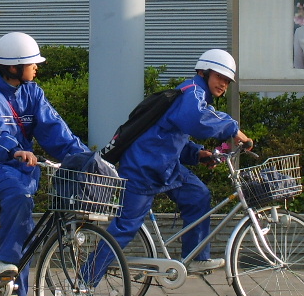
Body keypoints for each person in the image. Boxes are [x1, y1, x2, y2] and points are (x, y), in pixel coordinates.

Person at [89, 49, 253, 282]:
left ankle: (195, 256)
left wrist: (199, 154)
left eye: (227, 81)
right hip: (142, 168)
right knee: (125, 228)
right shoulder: (193, 93)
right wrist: (233, 130)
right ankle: (84, 282)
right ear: (204, 73)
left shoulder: (193, 95)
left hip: (165, 166)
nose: (223, 85)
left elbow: (171, 136)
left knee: (198, 195)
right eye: (220, 77)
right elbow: (197, 121)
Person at [0, 31, 89, 296]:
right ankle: (3, 263)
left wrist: (86, 158)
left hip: (23, 170)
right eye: (32, 63)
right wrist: (13, 150)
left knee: (27, 233)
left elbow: (54, 129)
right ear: (12, 67)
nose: (37, 67)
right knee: (20, 203)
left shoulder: (33, 93)